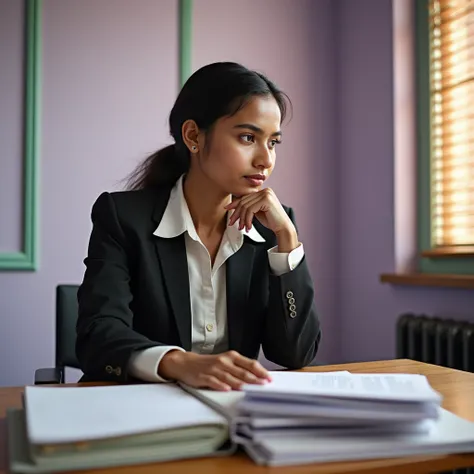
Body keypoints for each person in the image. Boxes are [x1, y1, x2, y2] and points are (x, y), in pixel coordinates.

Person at [76, 62, 321, 391]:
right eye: (248, 137)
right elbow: (98, 336)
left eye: (273, 142)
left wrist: (287, 241)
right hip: (141, 406)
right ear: (193, 136)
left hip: (232, 411)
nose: (265, 159)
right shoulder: (122, 218)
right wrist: (180, 363)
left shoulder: (271, 229)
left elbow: (295, 353)